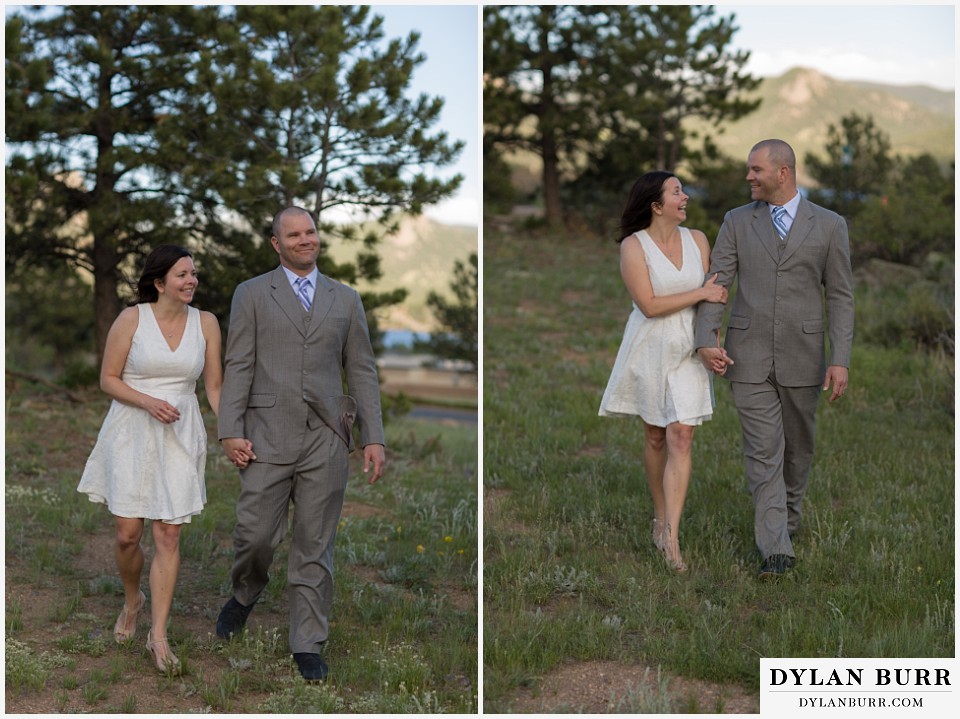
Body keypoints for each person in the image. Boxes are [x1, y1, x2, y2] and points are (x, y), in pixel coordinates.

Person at [216, 206, 386, 682]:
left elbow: (362, 370)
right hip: (266, 435)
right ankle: (245, 593)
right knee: (255, 537)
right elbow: (239, 364)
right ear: (276, 243)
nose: (304, 240)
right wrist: (230, 429)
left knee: (314, 544)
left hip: (328, 439)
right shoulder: (251, 294)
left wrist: (372, 437)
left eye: (310, 231)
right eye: (293, 235)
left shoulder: (346, 299)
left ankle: (307, 642)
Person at [694, 139, 854, 580]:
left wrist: (839, 358)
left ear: (783, 173)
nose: (749, 176)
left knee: (797, 452)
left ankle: (786, 521)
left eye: (756, 169)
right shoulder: (736, 221)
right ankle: (775, 550)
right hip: (747, 358)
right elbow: (717, 281)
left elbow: (840, 295)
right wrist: (707, 338)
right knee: (764, 451)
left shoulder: (829, 225)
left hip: (805, 356)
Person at [78, 245, 223, 673]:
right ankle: (132, 600)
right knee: (127, 534)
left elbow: (214, 388)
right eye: (182, 275)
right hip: (131, 428)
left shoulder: (208, 324)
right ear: (159, 283)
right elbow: (107, 378)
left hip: (180, 431)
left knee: (168, 535)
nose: (191, 280)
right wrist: (147, 401)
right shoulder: (131, 319)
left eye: (193, 273)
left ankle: (158, 636)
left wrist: (233, 429)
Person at [599, 171, 728, 572]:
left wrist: (711, 343)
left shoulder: (699, 240)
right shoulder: (633, 247)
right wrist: (702, 291)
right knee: (656, 436)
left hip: (689, 347)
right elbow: (650, 305)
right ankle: (659, 517)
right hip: (651, 347)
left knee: (682, 435)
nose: (685, 197)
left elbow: (712, 304)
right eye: (677, 192)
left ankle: (671, 536)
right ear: (656, 206)